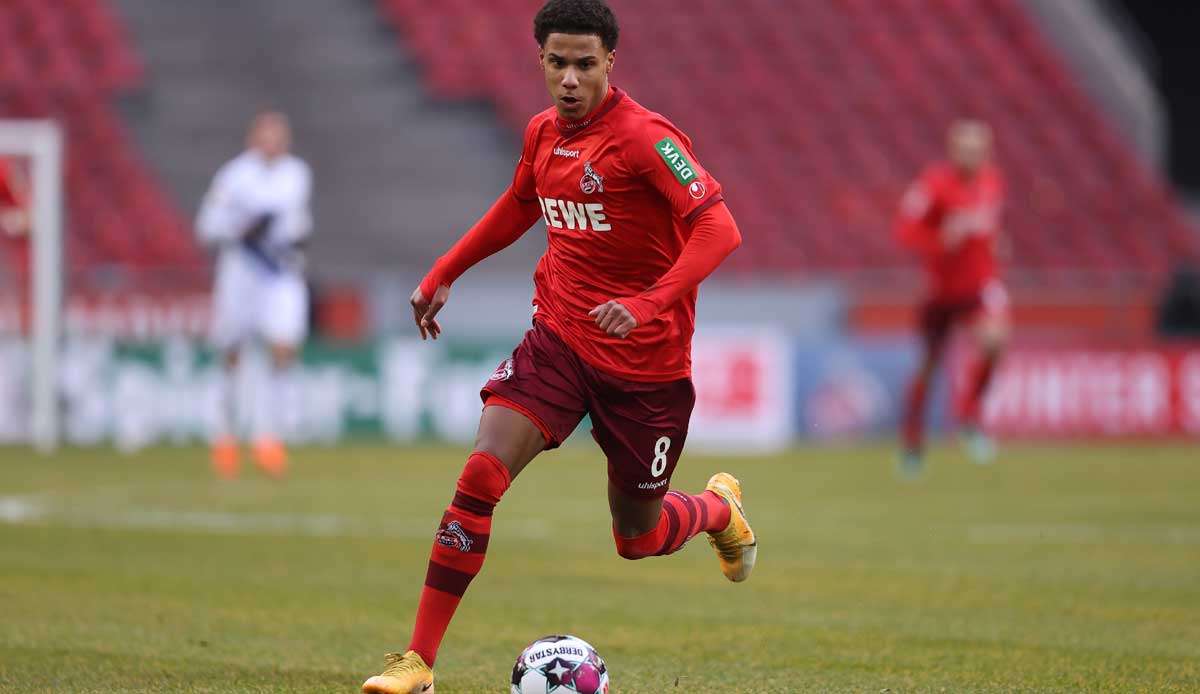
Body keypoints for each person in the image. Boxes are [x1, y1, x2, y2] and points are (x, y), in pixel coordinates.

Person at [362, 1, 755, 691]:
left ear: (610, 63)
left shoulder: (646, 138)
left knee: (638, 538)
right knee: (482, 473)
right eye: (557, 63)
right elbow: (520, 205)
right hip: (560, 341)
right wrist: (445, 270)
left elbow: (719, 228)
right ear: (540, 62)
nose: (570, 79)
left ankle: (719, 509)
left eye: (584, 64)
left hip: (647, 366)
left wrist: (647, 303)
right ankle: (418, 662)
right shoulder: (543, 134)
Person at [195, 111, 312, 479]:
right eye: (266, 135)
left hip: (279, 275)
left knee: (283, 348)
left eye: (279, 136)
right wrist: (239, 229)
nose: (273, 143)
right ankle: (225, 436)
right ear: (253, 138)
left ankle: (269, 438)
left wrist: (289, 234)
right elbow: (208, 225)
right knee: (232, 353)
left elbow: (297, 222)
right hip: (241, 275)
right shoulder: (234, 175)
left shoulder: (297, 173)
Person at [895, 119, 1008, 475]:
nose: (971, 156)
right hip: (940, 291)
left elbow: (987, 227)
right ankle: (913, 445)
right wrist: (940, 240)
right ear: (952, 150)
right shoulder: (932, 185)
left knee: (994, 341)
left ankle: (969, 418)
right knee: (929, 366)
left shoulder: (992, 182)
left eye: (977, 149)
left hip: (978, 286)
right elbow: (904, 231)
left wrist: (995, 245)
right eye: (964, 148)